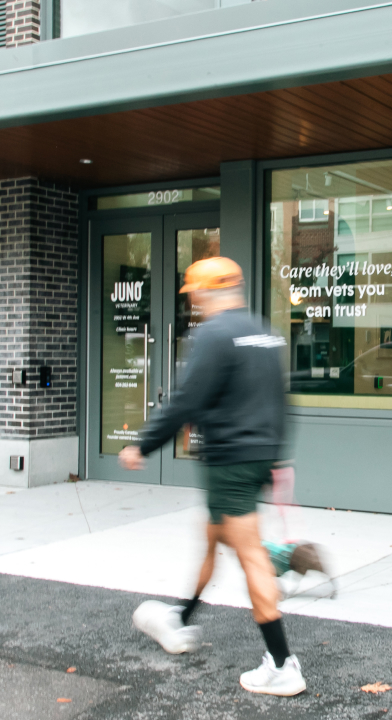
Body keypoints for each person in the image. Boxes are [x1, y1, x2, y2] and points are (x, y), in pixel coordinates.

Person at [118, 256, 306, 697]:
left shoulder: (214, 334)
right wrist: (276, 457)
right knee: (214, 538)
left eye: (193, 294)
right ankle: (179, 619)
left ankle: (282, 664)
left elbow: (186, 399)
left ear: (204, 291)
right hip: (256, 457)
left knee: (251, 558)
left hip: (231, 462)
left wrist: (142, 445)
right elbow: (281, 400)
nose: (193, 303)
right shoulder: (265, 332)